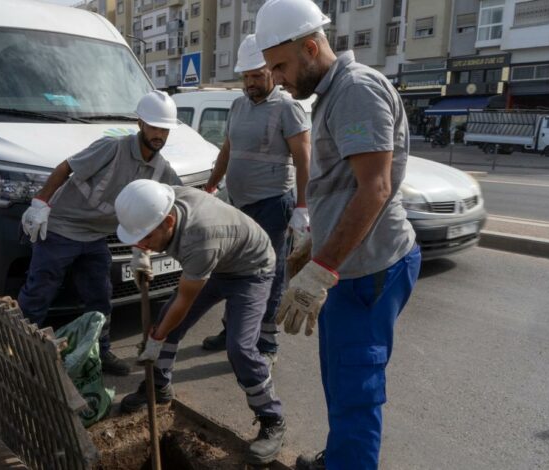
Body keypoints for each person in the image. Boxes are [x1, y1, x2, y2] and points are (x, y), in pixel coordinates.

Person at [255, 0, 422, 468]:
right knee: (339, 377)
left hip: (365, 270)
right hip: (344, 266)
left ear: (311, 47)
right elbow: (342, 186)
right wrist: (318, 244)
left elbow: (375, 187)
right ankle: (341, 459)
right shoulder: (334, 94)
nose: (278, 79)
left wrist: (321, 268)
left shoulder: (355, 90)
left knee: (355, 388)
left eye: (281, 66)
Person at [115, 180, 286, 466]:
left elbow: (184, 301)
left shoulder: (201, 238)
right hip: (221, 260)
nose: (142, 244)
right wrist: (140, 254)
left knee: (240, 348)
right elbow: (146, 230)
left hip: (252, 269)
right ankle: (159, 386)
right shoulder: (164, 199)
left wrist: (156, 339)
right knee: (166, 323)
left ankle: (272, 418)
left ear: (168, 221)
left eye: (145, 238)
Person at [17, 91, 182, 376]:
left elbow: (180, 199)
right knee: (39, 293)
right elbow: (66, 167)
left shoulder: (161, 170)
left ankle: (101, 352)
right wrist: (40, 203)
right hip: (62, 228)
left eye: (164, 129)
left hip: (95, 237)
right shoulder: (112, 148)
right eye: (154, 127)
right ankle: (20, 352)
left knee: (99, 298)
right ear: (140, 123)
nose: (159, 135)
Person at [201, 34, 311, 365]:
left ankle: (267, 341)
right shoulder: (237, 105)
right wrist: (210, 186)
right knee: (233, 268)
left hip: (273, 204)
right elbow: (227, 150)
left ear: (271, 72)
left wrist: (302, 208)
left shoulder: (288, 107)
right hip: (238, 205)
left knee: (270, 272)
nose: (250, 83)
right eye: (245, 77)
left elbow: (304, 160)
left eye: (256, 75)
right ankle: (233, 330)